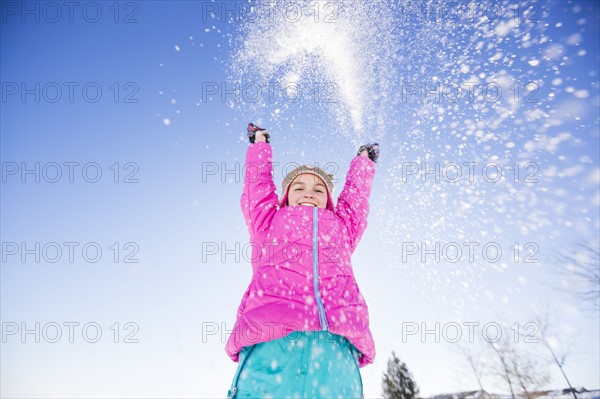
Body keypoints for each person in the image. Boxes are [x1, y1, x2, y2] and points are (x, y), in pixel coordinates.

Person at [225, 123, 380, 399]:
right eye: (298, 187)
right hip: (273, 338)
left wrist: (363, 162)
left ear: (328, 201)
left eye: (319, 190)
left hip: (336, 343)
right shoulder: (269, 223)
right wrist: (259, 146)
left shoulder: (342, 226)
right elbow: (256, 190)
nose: (309, 193)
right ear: (285, 198)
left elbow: (356, 200)